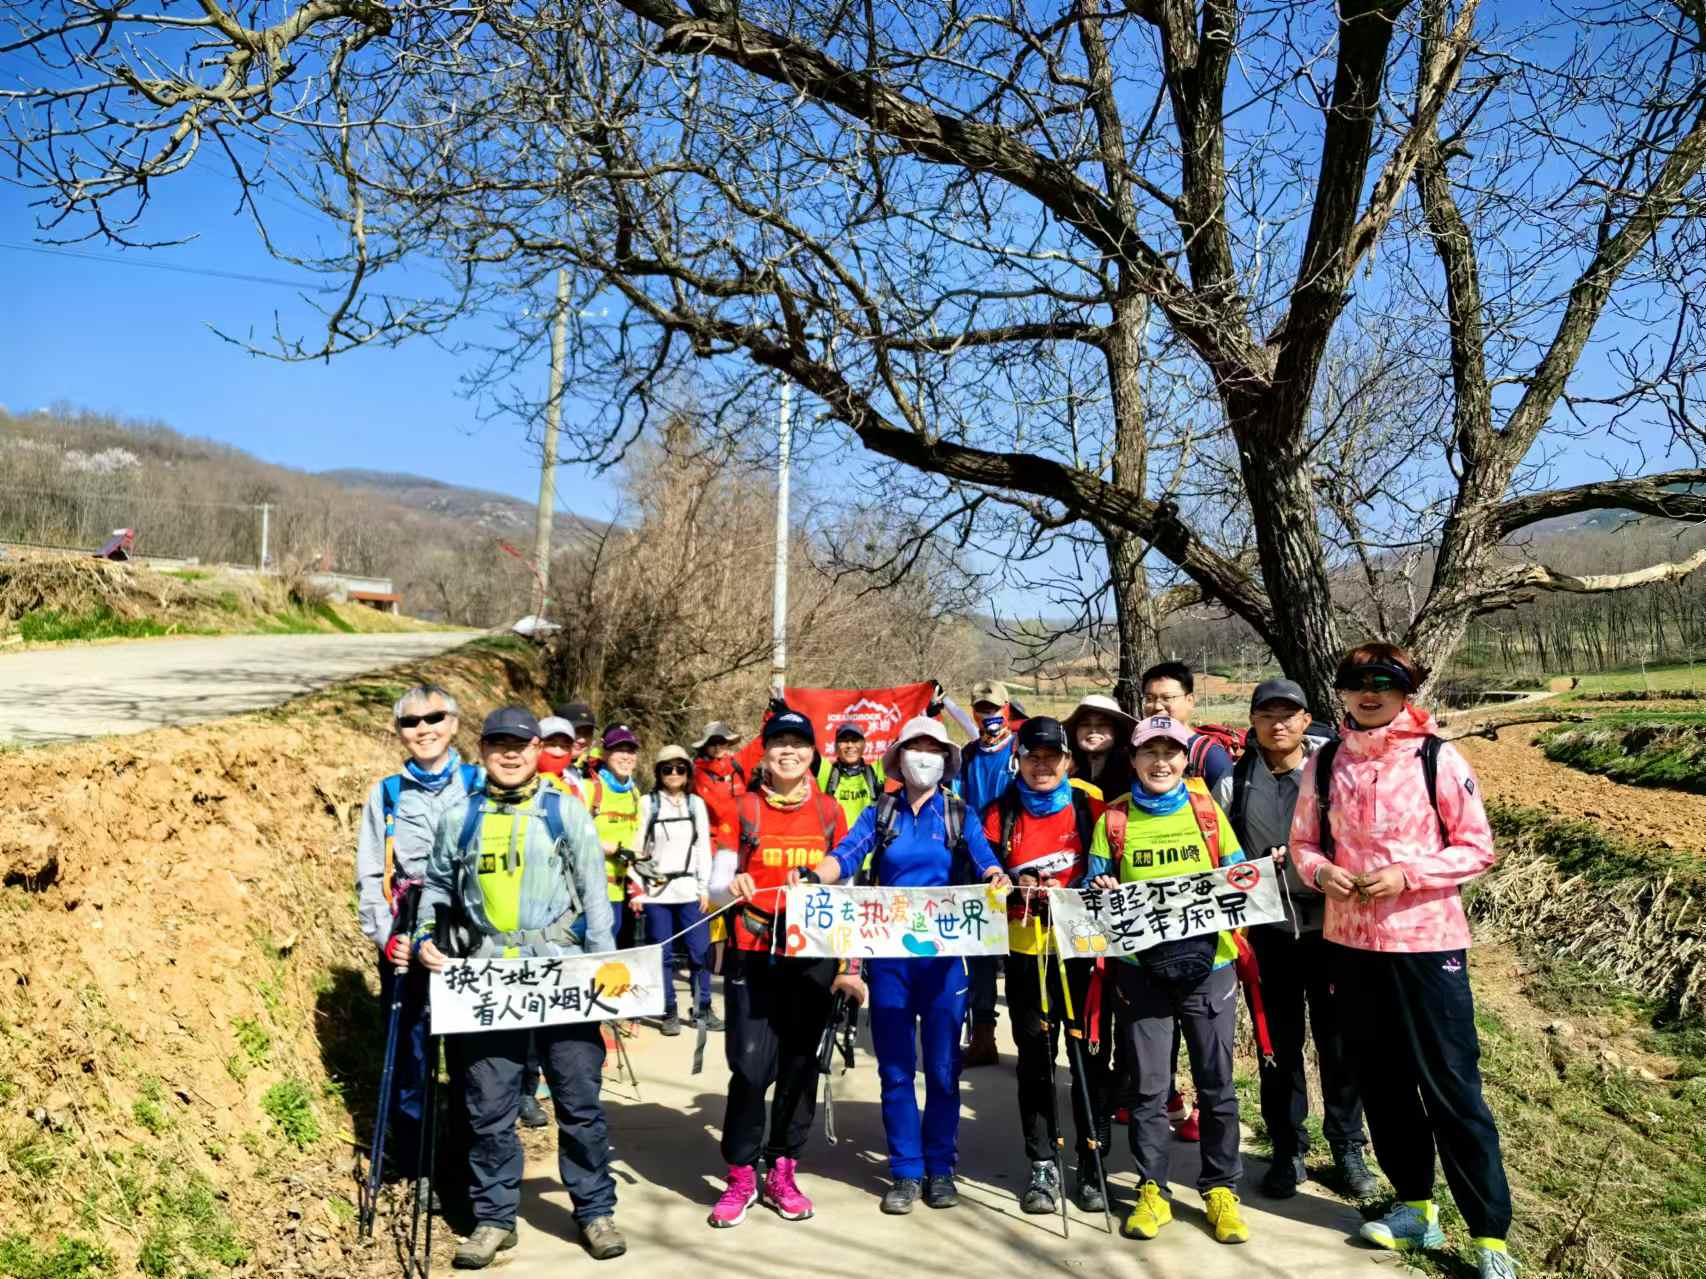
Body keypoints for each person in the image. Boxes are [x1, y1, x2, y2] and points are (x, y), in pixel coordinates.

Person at [1289, 644, 1514, 1279]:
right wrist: (1322, 872)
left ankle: (1490, 1238)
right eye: (1357, 683)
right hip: (1350, 945)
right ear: (1342, 691)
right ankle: (1415, 1206)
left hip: (1427, 944)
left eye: (1384, 683)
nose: (1370, 693)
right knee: (1381, 1083)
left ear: (1404, 692)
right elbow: (1302, 843)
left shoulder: (1437, 758)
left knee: (1451, 1085)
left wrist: (1407, 875)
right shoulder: (1325, 763)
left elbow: (1476, 847)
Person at [413, 706, 625, 1268]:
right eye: (499, 744)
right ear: (482, 750)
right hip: (488, 976)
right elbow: (437, 887)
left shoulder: (563, 810)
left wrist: (605, 976)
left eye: (521, 744)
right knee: (488, 1107)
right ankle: (494, 1219)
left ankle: (595, 1211)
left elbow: (595, 895)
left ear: (537, 750)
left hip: (562, 973)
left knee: (578, 1102)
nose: (510, 754)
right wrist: (425, 934)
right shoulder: (460, 817)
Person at [813, 717, 1011, 1215]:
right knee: (897, 1070)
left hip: (945, 963)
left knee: (943, 1071)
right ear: (899, 759)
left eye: (932, 748)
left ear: (946, 760)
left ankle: (941, 1167)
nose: (923, 756)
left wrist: (995, 875)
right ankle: (905, 1169)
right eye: (914, 747)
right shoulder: (881, 813)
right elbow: (846, 855)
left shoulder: (958, 813)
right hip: (890, 961)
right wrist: (812, 877)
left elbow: (985, 859)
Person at [1087, 714, 1251, 1246]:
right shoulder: (1113, 819)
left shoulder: (1206, 812)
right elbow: (1091, 888)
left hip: (1211, 968)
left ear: (1185, 759)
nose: (1161, 762)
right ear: (1133, 759)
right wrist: (1101, 887)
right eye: (1149, 752)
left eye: (1171, 752)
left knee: (1216, 1086)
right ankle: (1152, 1190)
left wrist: (1262, 874)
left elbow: (1238, 876)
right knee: (1149, 1090)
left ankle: (1221, 1189)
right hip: (1141, 973)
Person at [1225, 678, 1376, 1201]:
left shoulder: (1333, 770)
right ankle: (1287, 1146)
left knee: (1339, 1041)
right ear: (1253, 721)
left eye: (1288, 714)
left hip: (1334, 926)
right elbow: (1222, 853)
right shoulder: (1234, 782)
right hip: (1270, 931)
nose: (1278, 724)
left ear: (1306, 718)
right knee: (1278, 1044)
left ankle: (1348, 1146)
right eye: (1267, 715)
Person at [704, 707, 851, 1228]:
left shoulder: (830, 812)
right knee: (749, 1068)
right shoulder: (742, 808)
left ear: (813, 754)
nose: (788, 751)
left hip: (812, 955)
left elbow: (847, 888)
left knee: (800, 1065)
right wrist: (731, 886)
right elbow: (715, 885)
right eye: (778, 743)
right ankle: (741, 1172)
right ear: (764, 753)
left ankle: (783, 1168)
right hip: (752, 950)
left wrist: (850, 965)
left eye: (798, 743)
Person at [354, 685, 481, 1199]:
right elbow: (370, 875)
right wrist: (386, 938)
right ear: (399, 731)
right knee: (412, 1059)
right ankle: (418, 1164)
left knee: (474, 1062)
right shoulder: (386, 794)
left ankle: (470, 1167)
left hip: (468, 941)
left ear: (454, 724)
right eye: (411, 722)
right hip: (405, 940)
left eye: (434, 718)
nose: (423, 729)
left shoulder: (480, 784)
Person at [984, 716, 1110, 1216]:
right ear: (1018, 760)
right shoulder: (1001, 811)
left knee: (1089, 1057)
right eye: (1032, 756)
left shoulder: (1089, 804)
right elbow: (983, 870)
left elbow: (1109, 864)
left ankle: (1092, 1161)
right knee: (1036, 1060)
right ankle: (1042, 1163)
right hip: (1025, 951)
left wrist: (1074, 888)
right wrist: (1010, 886)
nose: (1042, 765)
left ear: (1068, 761)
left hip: (1082, 949)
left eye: (1051, 757)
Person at [1139, 660, 1236, 1139]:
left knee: (1206, 1034)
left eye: (1168, 697)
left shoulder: (1210, 759)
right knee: (1159, 1030)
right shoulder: (1139, 751)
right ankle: (1169, 1097)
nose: (1158, 705)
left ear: (1190, 701)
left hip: (1205, 928)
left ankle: (1201, 1111)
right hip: (1151, 934)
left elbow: (1228, 833)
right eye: (1151, 698)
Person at [630, 744, 719, 1036]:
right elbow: (637, 847)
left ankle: (702, 1007)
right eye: (667, 768)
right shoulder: (648, 803)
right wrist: (636, 889)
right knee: (663, 954)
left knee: (699, 951)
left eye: (680, 768)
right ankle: (668, 1010)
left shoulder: (696, 805)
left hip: (690, 890)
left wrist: (704, 887)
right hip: (657, 892)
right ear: (658, 772)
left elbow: (703, 847)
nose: (674, 773)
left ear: (687, 772)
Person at [958, 679, 1018, 1068]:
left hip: (1015, 854)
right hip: (974, 857)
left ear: (1007, 708)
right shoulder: (967, 754)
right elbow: (956, 799)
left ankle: (1034, 1039)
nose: (988, 716)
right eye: (981, 709)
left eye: (993, 709)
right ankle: (983, 1035)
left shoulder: (1020, 750)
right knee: (980, 948)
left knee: (1019, 950)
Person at [588, 725, 644, 949]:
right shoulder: (591, 788)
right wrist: (608, 848)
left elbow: (637, 838)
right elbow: (573, 837)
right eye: (619, 750)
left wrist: (637, 883)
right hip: (594, 891)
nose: (626, 756)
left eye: (630, 751)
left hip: (624, 892)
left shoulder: (634, 792)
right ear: (605, 753)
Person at [1065, 693, 1136, 801]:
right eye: (1085, 724)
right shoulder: (1063, 770)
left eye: (1103, 724)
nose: (1093, 730)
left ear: (1116, 731)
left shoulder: (1133, 770)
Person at [817, 723, 886, 828]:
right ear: (835, 746)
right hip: (837, 838)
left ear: (864, 745)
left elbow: (902, 744)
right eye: (844, 741)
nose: (849, 745)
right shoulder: (826, 772)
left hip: (868, 838)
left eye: (855, 740)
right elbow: (807, 745)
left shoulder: (876, 771)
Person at [552, 699, 600, 778]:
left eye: (587, 733)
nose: (582, 740)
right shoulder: (536, 768)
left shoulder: (583, 774)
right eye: (576, 731)